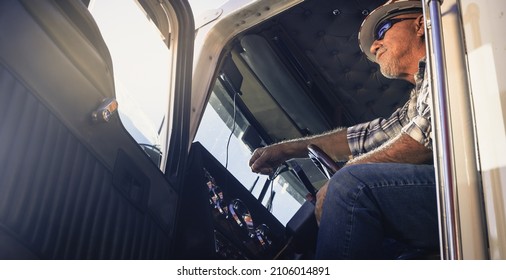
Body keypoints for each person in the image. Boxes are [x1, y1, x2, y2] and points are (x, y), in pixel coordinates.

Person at [248, 0, 439, 259]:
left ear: (419, 25)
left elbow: (422, 140)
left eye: (382, 30)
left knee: (351, 187)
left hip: (476, 188)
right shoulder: (417, 99)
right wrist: (286, 149)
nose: (374, 46)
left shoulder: (447, 64)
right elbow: (367, 138)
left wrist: (344, 179)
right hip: (447, 199)